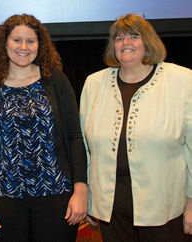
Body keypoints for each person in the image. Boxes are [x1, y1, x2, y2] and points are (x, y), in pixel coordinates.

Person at [0, 13, 87, 242]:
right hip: (4, 200)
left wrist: (81, 190)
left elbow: (75, 137)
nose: (23, 47)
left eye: (31, 41)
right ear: (4, 44)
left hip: (56, 197)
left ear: (39, 46)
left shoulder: (56, 80)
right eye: (16, 40)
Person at [80, 13, 192, 242]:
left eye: (134, 36)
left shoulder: (182, 80)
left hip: (166, 206)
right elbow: (84, 146)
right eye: (119, 38)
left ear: (148, 42)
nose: (125, 43)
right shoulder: (94, 83)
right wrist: (91, 198)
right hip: (112, 206)